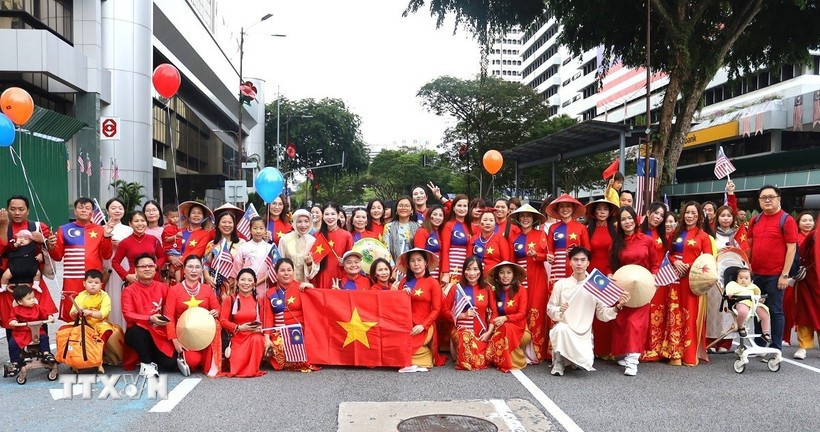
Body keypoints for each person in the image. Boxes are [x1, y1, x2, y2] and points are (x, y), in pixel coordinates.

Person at [548, 247, 630, 376]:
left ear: (588, 263)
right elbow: (550, 309)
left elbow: (602, 314)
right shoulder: (560, 284)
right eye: (575, 260)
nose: (579, 263)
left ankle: (575, 358)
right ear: (570, 262)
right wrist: (559, 310)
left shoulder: (595, 285)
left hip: (584, 333)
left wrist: (618, 306)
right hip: (566, 328)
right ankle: (559, 362)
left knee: (584, 363)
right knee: (560, 329)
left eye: (583, 260)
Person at [747, 185, 798, 351]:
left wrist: (785, 275)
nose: (767, 200)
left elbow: (791, 248)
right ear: (759, 201)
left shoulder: (786, 220)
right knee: (758, 309)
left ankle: (776, 348)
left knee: (775, 310)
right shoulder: (755, 220)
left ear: (779, 199)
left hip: (776, 275)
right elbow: (749, 245)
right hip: (756, 274)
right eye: (763, 198)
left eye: (771, 197)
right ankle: (760, 345)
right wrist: (746, 268)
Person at [609, 207, 659, 376]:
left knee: (635, 323)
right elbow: (610, 266)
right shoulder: (616, 243)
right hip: (623, 287)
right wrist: (610, 275)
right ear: (619, 223)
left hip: (642, 287)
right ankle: (624, 354)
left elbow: (655, 264)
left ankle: (632, 361)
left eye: (630, 218)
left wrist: (654, 278)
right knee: (622, 322)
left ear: (635, 219)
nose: (627, 222)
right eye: (623, 219)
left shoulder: (647, 240)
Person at [661, 201, 712, 366]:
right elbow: (666, 253)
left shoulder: (704, 236)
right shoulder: (675, 233)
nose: (690, 216)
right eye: (687, 213)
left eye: (693, 213)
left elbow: (708, 260)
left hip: (692, 281)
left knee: (689, 314)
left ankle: (689, 354)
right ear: (683, 215)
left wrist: (691, 265)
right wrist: (675, 261)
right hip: (674, 279)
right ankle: (674, 353)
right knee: (674, 313)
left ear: (699, 216)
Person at [47, 197, 114, 322]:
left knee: (95, 314)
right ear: (75, 211)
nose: (84, 210)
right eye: (80, 207)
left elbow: (106, 255)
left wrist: (106, 236)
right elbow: (57, 256)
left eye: (87, 208)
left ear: (92, 212)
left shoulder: (100, 230)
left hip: (93, 278)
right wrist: (51, 246)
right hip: (72, 278)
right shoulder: (63, 229)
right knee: (72, 314)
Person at [164, 255, 221, 377]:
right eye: (190, 267)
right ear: (184, 270)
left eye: (197, 267)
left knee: (207, 363)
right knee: (193, 361)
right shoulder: (174, 290)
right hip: (185, 337)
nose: (194, 270)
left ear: (201, 270)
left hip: (206, 335)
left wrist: (216, 311)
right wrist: (175, 340)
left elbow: (217, 308)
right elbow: (169, 317)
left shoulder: (207, 289)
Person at [121, 253, 175, 377]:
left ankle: (150, 358)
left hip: (159, 332)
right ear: (136, 270)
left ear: (155, 269)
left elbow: (170, 311)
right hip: (139, 333)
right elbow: (127, 314)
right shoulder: (129, 290)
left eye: (150, 266)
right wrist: (149, 318)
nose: (147, 269)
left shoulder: (163, 287)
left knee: (170, 364)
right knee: (137, 331)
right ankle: (146, 364)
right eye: (143, 266)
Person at [508, 203, 550, 363]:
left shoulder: (540, 234)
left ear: (534, 219)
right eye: (522, 216)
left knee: (536, 312)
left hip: (537, 279)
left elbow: (548, 256)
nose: (525, 219)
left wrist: (536, 255)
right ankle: (518, 348)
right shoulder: (514, 237)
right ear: (518, 219)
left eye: (528, 216)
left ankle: (535, 353)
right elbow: (511, 262)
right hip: (519, 281)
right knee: (520, 312)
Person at [111, 212, 166, 327]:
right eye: (136, 221)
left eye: (142, 221)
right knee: (137, 311)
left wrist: (155, 266)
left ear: (146, 222)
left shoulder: (153, 239)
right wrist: (126, 276)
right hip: (135, 280)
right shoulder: (125, 242)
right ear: (130, 224)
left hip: (153, 278)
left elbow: (162, 257)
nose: (140, 224)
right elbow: (115, 262)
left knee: (156, 307)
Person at [263, 259, 318, 372]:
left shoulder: (302, 288)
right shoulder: (271, 293)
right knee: (278, 351)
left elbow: (315, 306)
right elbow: (268, 317)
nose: (286, 273)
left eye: (289, 270)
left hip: (301, 330)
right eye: (282, 270)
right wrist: (267, 338)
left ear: (293, 272)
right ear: (276, 274)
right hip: (280, 332)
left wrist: (311, 288)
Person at [444, 256, 496, 370]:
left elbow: (494, 313)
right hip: (461, 332)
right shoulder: (456, 288)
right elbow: (444, 311)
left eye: (475, 269)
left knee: (487, 357)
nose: (472, 273)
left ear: (480, 271)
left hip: (481, 333)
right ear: (464, 271)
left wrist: (489, 333)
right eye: (468, 269)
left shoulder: (487, 288)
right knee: (471, 358)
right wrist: (463, 315)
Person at [396, 248, 441, 373]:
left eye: (419, 260)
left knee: (409, 346)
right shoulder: (404, 282)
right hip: (406, 324)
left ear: (426, 263)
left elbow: (436, 309)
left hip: (424, 324)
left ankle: (416, 361)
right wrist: (401, 294)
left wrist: (423, 326)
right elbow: (397, 305)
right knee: (397, 345)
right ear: (408, 265)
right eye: (412, 261)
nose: (416, 264)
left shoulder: (433, 283)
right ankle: (419, 360)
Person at [70, 269, 123, 371]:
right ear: (84, 283)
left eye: (96, 283)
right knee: (66, 330)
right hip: (83, 323)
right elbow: (72, 314)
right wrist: (75, 313)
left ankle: (97, 357)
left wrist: (90, 313)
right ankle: (76, 358)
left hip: (100, 323)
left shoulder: (104, 296)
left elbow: (103, 313)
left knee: (106, 331)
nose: (93, 285)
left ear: (101, 285)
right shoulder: (80, 296)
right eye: (90, 282)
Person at [585, 199, 619, 359]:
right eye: (599, 209)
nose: (602, 212)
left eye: (605, 209)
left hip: (609, 273)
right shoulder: (587, 230)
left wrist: (613, 272)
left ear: (610, 212)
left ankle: (606, 349)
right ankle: (593, 348)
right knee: (591, 310)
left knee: (607, 309)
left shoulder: (615, 230)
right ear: (594, 212)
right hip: (592, 273)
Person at [483, 261, 530, 373]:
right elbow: (494, 314)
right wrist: (489, 332)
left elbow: (522, 314)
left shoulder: (521, 290)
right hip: (500, 329)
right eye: (502, 272)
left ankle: (512, 361)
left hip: (521, 330)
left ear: (514, 275)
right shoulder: (494, 292)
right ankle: (501, 359)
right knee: (504, 328)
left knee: (506, 327)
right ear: (497, 275)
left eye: (509, 272)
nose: (505, 276)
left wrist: (506, 318)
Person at [220, 268, 266, 377]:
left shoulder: (258, 300)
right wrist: (239, 327)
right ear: (237, 281)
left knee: (258, 339)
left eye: (249, 280)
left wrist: (260, 327)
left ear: (254, 284)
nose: (246, 283)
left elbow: (263, 321)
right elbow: (223, 321)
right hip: (236, 337)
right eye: (243, 279)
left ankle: (252, 370)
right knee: (237, 365)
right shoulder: (230, 299)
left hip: (253, 336)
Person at [640, 202, 670, 362]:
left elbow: (667, 256)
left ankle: (654, 348)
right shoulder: (638, 231)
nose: (658, 217)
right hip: (639, 277)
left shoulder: (663, 235)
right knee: (640, 311)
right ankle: (638, 348)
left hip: (658, 279)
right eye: (656, 213)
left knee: (656, 313)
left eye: (661, 216)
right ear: (648, 212)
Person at [7, 285, 56, 370]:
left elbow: (45, 314)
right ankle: (15, 362)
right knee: (12, 343)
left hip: (37, 331)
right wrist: (13, 321)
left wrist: (49, 317)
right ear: (20, 302)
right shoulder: (16, 310)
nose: (33, 300)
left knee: (44, 337)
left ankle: (46, 354)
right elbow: (12, 318)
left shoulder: (37, 307)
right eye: (29, 299)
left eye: (33, 297)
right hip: (22, 332)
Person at [546, 194, 591, 282]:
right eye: (561, 206)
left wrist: (577, 251)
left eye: (568, 206)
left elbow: (587, 250)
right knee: (557, 289)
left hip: (576, 268)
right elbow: (550, 249)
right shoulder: (553, 228)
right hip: (558, 268)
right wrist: (550, 256)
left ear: (573, 208)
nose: (565, 209)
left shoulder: (581, 228)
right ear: (557, 209)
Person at [203, 209, 244, 298]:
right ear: (218, 225)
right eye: (224, 222)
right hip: (216, 286)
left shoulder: (242, 243)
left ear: (234, 225)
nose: (227, 225)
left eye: (230, 222)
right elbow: (206, 264)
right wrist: (207, 277)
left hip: (237, 285)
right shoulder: (211, 244)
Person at [312, 202, 354, 290]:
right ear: (322, 216)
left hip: (340, 276)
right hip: (321, 276)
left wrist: (345, 261)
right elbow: (313, 259)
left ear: (338, 216)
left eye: (333, 214)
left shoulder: (347, 235)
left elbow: (351, 257)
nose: (330, 217)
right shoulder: (316, 235)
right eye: (326, 214)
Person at [794, 221, 819, 360]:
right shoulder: (813, 235)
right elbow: (801, 255)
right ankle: (803, 347)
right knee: (805, 314)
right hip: (809, 282)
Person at [726, 268, 772, 344]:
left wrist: (760, 299)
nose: (743, 280)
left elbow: (757, 295)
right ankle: (741, 326)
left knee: (765, 313)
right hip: (741, 302)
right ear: (736, 279)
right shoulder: (733, 285)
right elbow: (729, 291)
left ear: (751, 280)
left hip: (753, 303)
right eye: (741, 278)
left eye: (746, 278)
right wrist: (730, 294)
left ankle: (766, 332)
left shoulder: (753, 286)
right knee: (743, 312)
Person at [233, 217, 277, 296]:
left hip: (262, 285)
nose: (258, 231)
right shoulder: (243, 247)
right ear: (250, 230)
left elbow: (271, 270)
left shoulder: (269, 248)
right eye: (255, 228)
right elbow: (237, 269)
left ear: (265, 230)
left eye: (261, 228)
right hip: (245, 286)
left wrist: (257, 282)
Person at [440, 194, 472, 286]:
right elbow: (445, 250)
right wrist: (445, 271)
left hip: (466, 268)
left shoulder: (470, 226)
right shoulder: (449, 225)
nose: (462, 209)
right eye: (459, 205)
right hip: (452, 268)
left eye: (465, 206)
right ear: (453, 208)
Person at [278, 209, 318, 283]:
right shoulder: (284, 239)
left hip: (305, 285)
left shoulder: (313, 241)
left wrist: (309, 263)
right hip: (287, 283)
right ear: (294, 222)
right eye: (299, 221)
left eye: (306, 221)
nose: (303, 225)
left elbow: (315, 270)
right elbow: (279, 263)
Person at [383, 197, 418, 265]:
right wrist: (393, 266)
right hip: (394, 266)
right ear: (396, 209)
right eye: (400, 205)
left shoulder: (418, 227)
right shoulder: (388, 227)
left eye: (407, 206)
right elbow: (386, 250)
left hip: (413, 265)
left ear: (412, 210)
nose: (403, 208)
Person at [413, 205, 445, 280]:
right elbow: (419, 254)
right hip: (427, 271)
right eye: (435, 214)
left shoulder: (441, 232)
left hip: (439, 271)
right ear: (429, 216)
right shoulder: (422, 231)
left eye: (441, 215)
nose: (437, 217)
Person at [162, 204, 182, 280]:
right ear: (167, 218)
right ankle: (178, 282)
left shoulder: (175, 226)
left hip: (174, 249)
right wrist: (176, 236)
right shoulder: (168, 228)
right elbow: (166, 239)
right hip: (171, 250)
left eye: (177, 217)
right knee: (178, 266)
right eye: (173, 217)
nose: (176, 219)